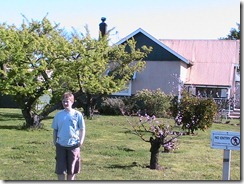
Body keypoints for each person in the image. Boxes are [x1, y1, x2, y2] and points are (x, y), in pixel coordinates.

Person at [52, 92, 86, 180]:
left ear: (72, 102)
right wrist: (55, 141)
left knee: (72, 169)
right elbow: (55, 130)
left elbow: (82, 129)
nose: (65, 103)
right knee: (60, 169)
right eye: (63, 101)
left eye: (67, 101)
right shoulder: (58, 115)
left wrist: (80, 141)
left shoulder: (77, 114)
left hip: (73, 145)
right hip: (61, 145)